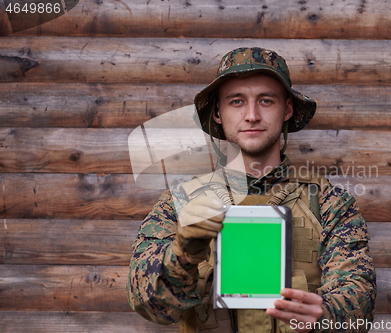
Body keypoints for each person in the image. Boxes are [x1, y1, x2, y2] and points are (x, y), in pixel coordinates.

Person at [127, 47, 376, 333]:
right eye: (236, 102)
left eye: (266, 101)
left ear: (287, 109)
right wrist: (182, 254)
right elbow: (147, 303)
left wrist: (325, 315)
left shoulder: (329, 203)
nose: (252, 115)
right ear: (218, 112)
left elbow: (360, 300)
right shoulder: (179, 202)